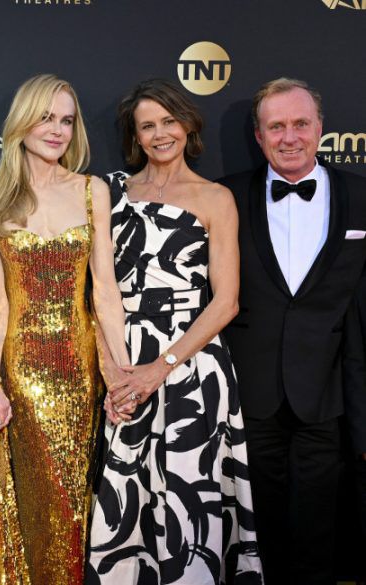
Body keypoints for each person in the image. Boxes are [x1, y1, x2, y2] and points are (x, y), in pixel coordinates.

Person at [87, 79, 263, 584]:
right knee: (127, 502)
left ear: (188, 125)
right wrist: (114, 374)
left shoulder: (215, 198)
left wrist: (160, 369)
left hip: (192, 366)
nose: (160, 134)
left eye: (169, 121)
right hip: (125, 364)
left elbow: (225, 302)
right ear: (135, 136)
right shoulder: (110, 192)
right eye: (148, 126)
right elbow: (98, 291)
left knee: (190, 505)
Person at [0, 74, 124, 584]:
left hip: (78, 370)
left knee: (72, 506)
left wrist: (121, 372)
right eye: (46, 117)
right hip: (20, 372)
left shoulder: (91, 191)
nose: (57, 129)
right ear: (22, 122)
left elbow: (104, 291)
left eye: (66, 120)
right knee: (33, 506)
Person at [218, 77, 366, 585]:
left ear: (321, 128)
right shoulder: (228, 197)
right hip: (250, 397)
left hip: (326, 399)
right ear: (258, 137)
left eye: (300, 123)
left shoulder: (361, 195)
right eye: (275, 126)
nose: (289, 137)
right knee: (259, 540)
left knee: (320, 539)